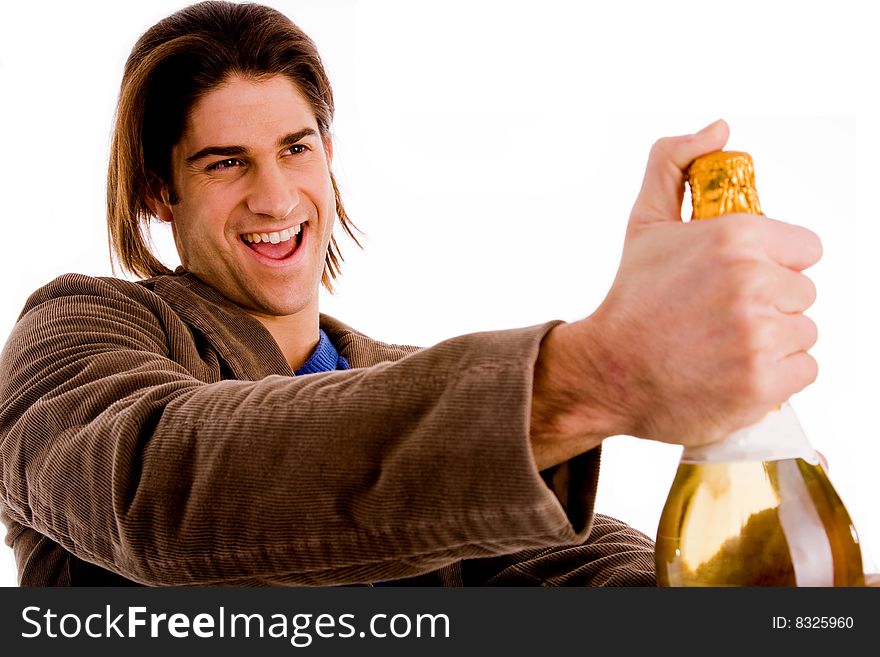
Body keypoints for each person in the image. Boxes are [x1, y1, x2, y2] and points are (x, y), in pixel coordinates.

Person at [0, 1, 823, 586]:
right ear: (156, 190)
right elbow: (164, 490)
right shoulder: (78, 333)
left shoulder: (405, 386)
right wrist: (594, 373)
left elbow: (559, 561)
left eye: (296, 148)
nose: (277, 196)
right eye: (226, 162)